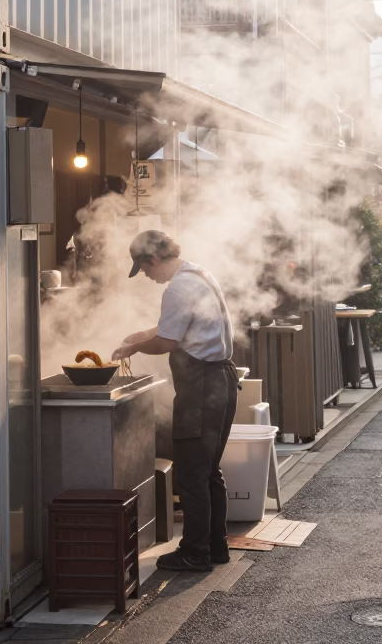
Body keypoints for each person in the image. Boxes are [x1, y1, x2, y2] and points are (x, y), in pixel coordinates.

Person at [112, 230, 239, 572]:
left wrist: (134, 347)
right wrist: (139, 336)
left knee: (192, 473)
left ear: (154, 258)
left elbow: (167, 342)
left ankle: (195, 552)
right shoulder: (199, 274)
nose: (146, 276)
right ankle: (216, 546)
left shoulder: (178, 288)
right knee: (209, 470)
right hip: (222, 381)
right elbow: (174, 328)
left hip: (201, 388)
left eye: (144, 269)